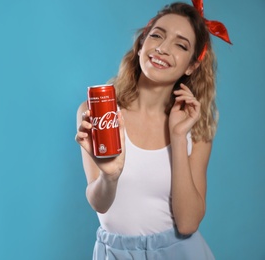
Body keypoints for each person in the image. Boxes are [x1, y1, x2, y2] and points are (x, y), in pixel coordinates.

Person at [75, 1, 232, 259]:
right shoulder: (98, 113)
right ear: (140, 45)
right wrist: (110, 177)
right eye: (157, 35)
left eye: (180, 45)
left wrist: (178, 136)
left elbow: (188, 223)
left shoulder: (197, 129)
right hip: (114, 253)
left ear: (191, 66)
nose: (162, 48)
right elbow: (99, 204)